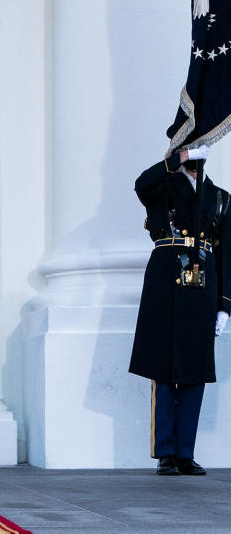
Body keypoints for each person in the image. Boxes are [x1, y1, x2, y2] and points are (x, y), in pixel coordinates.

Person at [130, 145, 229, 476]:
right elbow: (141, 182)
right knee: (163, 367)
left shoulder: (219, 197)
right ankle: (165, 453)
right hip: (165, 280)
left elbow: (227, 257)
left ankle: (185, 452)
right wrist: (178, 160)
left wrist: (225, 306)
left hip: (201, 285)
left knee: (194, 369)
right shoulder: (164, 187)